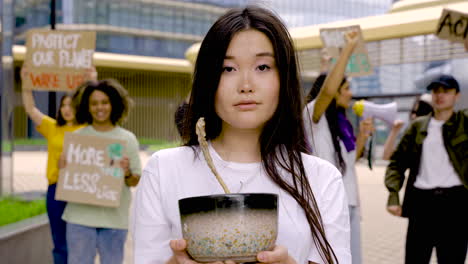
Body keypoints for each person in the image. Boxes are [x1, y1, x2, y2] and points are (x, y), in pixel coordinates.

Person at [133, 6, 351, 264]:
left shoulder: (321, 179)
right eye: (228, 69)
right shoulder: (164, 170)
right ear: (208, 79)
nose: (246, 85)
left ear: (284, 78)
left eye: (262, 67)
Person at [302, 32, 374, 264]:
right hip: (324, 205)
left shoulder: (341, 122)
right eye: (346, 88)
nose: (350, 93)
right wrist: (347, 51)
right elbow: (328, 91)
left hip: (349, 202)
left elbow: (353, 160)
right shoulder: (315, 116)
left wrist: (362, 136)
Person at [385, 75, 467, 264]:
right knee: (415, 259)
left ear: (457, 95)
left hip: (456, 204)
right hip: (421, 204)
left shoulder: (464, 123)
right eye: (436, 91)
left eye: (446, 91)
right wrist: (393, 195)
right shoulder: (417, 126)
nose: (440, 95)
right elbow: (397, 163)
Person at [20, 66, 97, 264]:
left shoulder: (88, 128)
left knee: (80, 241)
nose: (67, 109)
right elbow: (30, 109)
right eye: (64, 105)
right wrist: (26, 84)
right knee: (60, 242)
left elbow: (97, 105)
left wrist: (92, 80)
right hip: (56, 190)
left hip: (80, 189)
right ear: (60, 109)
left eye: (72, 105)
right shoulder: (53, 127)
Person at [60, 79, 142, 264]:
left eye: (104, 102)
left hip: (114, 220)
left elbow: (135, 180)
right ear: (86, 107)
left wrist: (127, 173)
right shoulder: (77, 139)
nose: (100, 108)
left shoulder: (127, 139)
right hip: (79, 218)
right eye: (94, 103)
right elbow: (68, 179)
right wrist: (63, 167)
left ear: (114, 104)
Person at [382, 93, 433, 161]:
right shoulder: (411, 137)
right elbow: (387, 156)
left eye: (419, 112)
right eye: (413, 112)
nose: (413, 116)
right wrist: (394, 131)